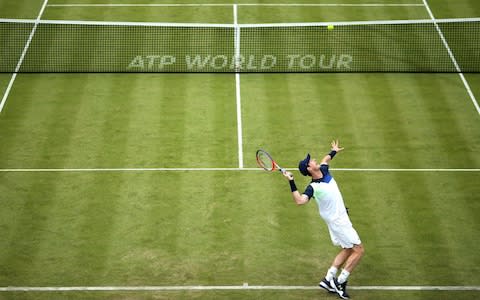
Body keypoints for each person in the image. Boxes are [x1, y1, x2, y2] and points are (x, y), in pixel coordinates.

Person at [283, 140, 364, 300]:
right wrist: (291, 181)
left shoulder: (324, 170)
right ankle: (340, 282)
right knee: (359, 250)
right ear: (309, 169)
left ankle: (328, 278)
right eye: (310, 161)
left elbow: (325, 159)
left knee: (348, 248)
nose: (314, 160)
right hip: (338, 221)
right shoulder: (313, 187)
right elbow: (300, 201)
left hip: (340, 217)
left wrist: (333, 151)